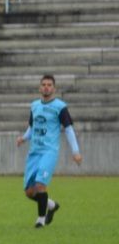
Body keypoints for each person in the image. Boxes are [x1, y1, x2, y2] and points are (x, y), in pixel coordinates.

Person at [17, 74, 82, 228]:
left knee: (40, 184)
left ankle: (41, 220)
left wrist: (76, 151)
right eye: (44, 84)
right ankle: (51, 205)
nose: (46, 87)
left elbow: (69, 129)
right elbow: (32, 127)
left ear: (54, 88)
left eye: (49, 85)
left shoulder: (60, 107)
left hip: (49, 151)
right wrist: (24, 138)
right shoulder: (34, 106)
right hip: (34, 152)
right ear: (40, 87)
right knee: (29, 192)